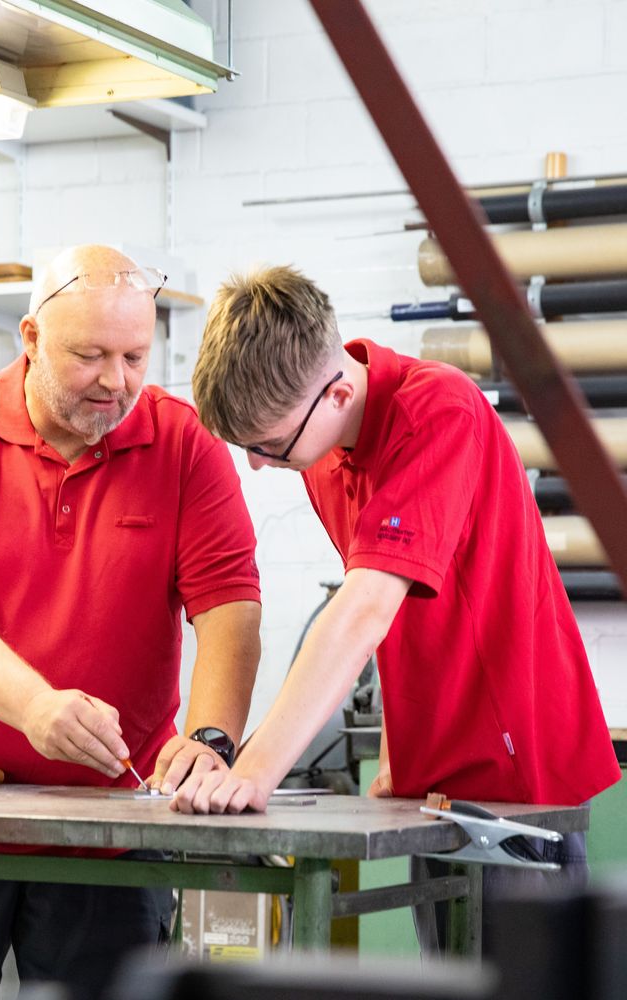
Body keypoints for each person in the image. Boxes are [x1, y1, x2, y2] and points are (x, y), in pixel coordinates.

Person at [184, 264, 621, 944]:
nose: (258, 465)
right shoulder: (325, 453)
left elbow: (362, 610)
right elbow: (395, 623)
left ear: (333, 395)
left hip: (516, 772)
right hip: (431, 776)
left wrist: (255, 769)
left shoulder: (438, 412)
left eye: (268, 445)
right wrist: (398, 755)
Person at [0, 244, 262, 998]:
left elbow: (230, 607)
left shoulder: (183, 442)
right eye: (89, 356)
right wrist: (34, 707)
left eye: (134, 357)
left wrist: (212, 742)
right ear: (29, 340)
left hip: (115, 824)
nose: (115, 382)